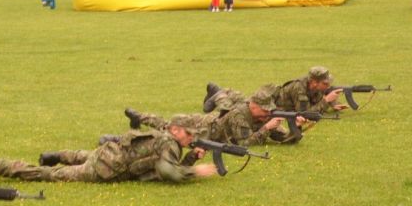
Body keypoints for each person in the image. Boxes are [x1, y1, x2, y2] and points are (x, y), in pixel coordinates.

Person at [0, 118, 218, 183]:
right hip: (107, 167)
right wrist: (196, 172)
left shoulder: (163, 137)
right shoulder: (169, 143)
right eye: (188, 134)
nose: (190, 139)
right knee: (52, 175)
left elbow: (165, 165)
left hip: (108, 153)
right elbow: (167, 171)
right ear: (175, 130)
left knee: (81, 155)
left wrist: (190, 158)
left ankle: (55, 155)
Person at [123, 84, 293, 147]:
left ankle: (216, 92)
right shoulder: (240, 115)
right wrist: (266, 128)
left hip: (213, 122)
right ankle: (138, 117)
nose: (268, 113)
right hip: (202, 127)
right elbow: (245, 142)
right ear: (253, 106)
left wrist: (297, 127)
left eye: (269, 110)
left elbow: (283, 137)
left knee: (168, 124)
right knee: (168, 127)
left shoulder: (262, 116)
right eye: (264, 110)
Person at [203, 66, 346, 115]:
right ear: (314, 82)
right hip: (268, 101)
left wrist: (332, 104)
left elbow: (317, 98)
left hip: (272, 101)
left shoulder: (315, 87)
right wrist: (326, 101)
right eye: (325, 83)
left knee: (242, 100)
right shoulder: (299, 89)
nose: (328, 86)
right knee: (237, 108)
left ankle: (221, 90)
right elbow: (304, 113)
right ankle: (220, 95)